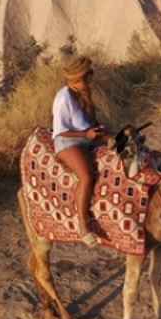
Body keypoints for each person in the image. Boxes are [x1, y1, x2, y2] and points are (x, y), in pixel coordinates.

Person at [52, 56, 108, 245]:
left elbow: (89, 124)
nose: (90, 78)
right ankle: (83, 225)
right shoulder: (64, 98)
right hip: (67, 142)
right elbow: (61, 130)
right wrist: (86, 134)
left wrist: (99, 131)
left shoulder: (83, 94)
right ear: (78, 78)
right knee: (86, 176)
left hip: (86, 139)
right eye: (87, 75)